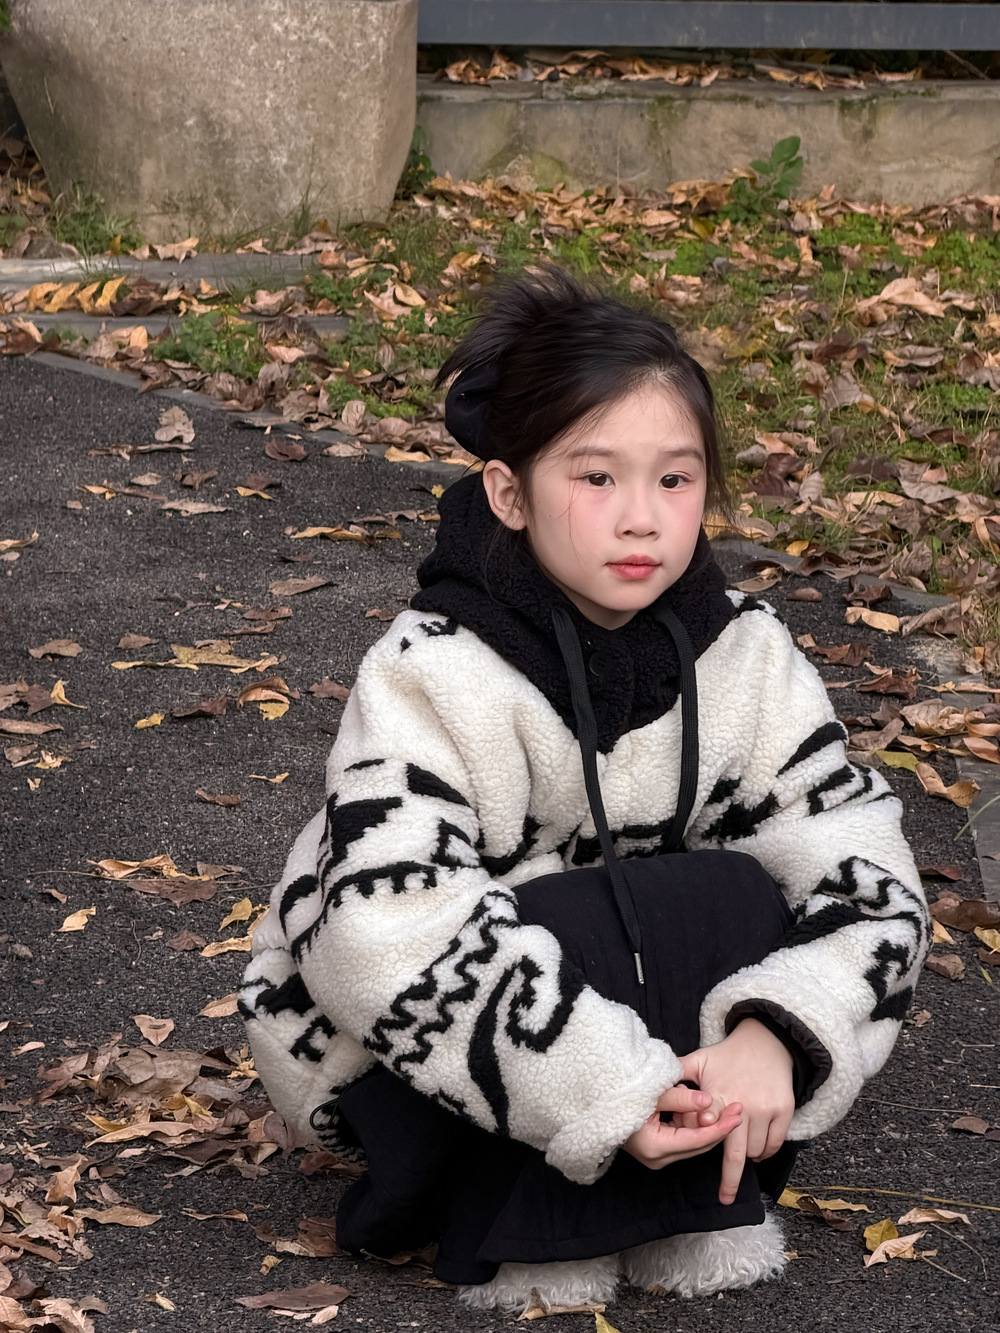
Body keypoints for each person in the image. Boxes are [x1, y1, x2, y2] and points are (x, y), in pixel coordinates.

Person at [241, 268, 928, 1312]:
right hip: (411, 1075)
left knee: (736, 892)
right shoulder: (433, 666)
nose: (641, 519)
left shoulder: (746, 653)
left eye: (675, 479)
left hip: (656, 1047)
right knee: (557, 910)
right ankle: (529, 1237)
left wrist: (775, 1034)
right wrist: (607, 1089)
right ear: (508, 493)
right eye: (596, 477)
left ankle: (692, 1211)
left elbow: (868, 875)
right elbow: (383, 937)